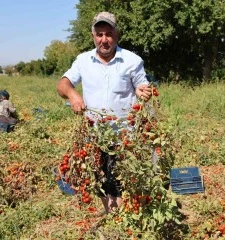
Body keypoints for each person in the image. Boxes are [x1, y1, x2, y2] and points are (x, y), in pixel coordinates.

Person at [57, 11, 152, 213]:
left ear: (116, 35)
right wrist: (72, 95)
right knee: (100, 177)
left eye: (108, 34)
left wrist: (141, 91)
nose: (104, 39)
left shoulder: (132, 60)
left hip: (124, 134)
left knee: (121, 179)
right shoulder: (83, 61)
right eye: (99, 34)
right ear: (93, 36)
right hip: (94, 134)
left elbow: (143, 87)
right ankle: (111, 215)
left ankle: (119, 217)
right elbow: (62, 84)